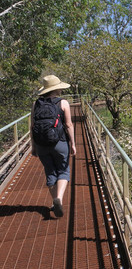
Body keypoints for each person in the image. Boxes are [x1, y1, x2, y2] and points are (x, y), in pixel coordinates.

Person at [30, 75, 76, 217]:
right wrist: (73, 144)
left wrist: (33, 146)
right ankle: (59, 199)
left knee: (50, 172)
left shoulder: (35, 104)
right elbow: (68, 125)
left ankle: (53, 201)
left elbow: (32, 127)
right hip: (60, 143)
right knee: (63, 170)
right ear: (57, 89)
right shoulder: (63, 103)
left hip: (42, 144)